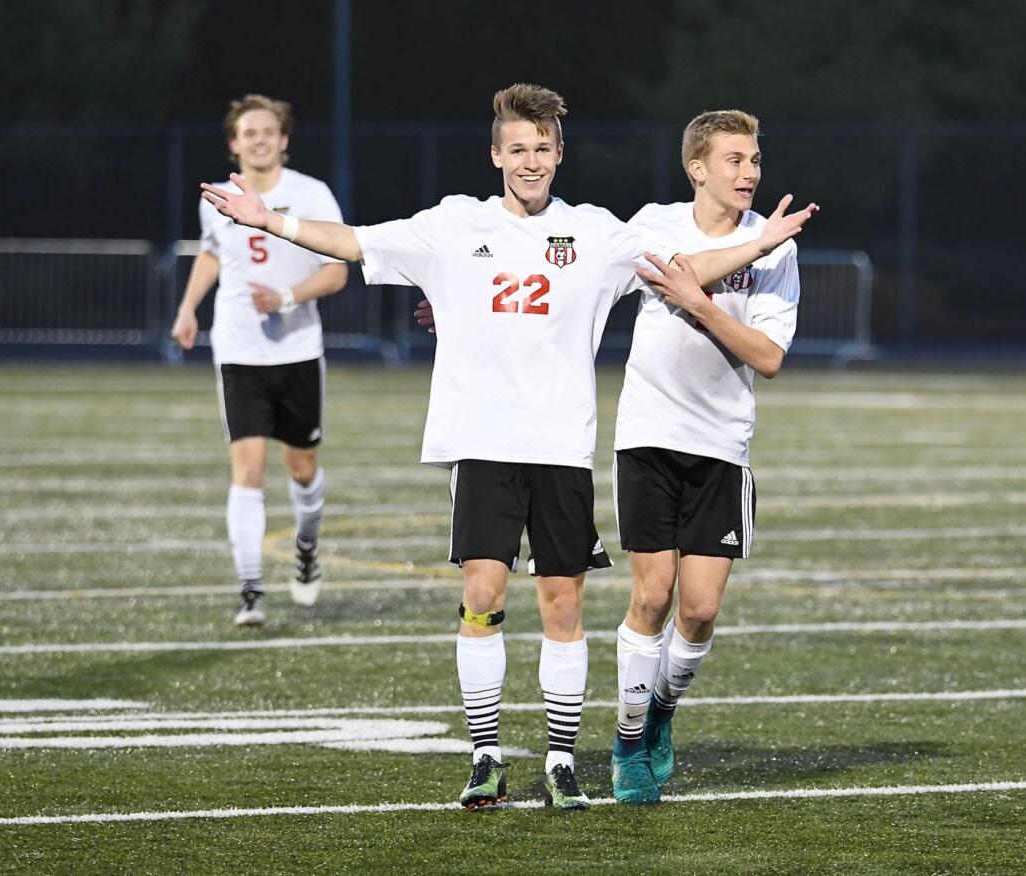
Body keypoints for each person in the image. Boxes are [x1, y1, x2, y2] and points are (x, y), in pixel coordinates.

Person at [200, 83, 817, 810]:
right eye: (517, 148)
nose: (531, 160)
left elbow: (683, 274)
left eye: (543, 148)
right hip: (481, 441)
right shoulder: (452, 224)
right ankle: (485, 755)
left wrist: (760, 243)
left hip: (562, 446)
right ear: (496, 154)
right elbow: (353, 241)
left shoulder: (596, 231)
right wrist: (265, 219)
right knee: (483, 594)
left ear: (561, 154)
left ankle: (561, 762)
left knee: (563, 606)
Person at [608, 110, 803, 803]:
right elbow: (677, 274)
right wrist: (751, 252)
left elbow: (770, 358)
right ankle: (629, 742)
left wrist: (710, 302)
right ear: (697, 168)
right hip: (649, 432)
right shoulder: (656, 223)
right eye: (734, 160)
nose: (749, 172)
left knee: (699, 610)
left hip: (723, 442)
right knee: (652, 594)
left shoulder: (776, 246)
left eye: (754, 159)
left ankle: (660, 712)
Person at [171, 94, 348, 627]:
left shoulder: (311, 193)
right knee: (247, 470)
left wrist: (288, 297)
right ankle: (250, 589)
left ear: (284, 140)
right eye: (248, 132)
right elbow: (211, 253)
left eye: (268, 131)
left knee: (303, 469)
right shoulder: (215, 197)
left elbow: (338, 269)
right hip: (239, 351)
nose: (259, 139)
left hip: (296, 351)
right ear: (233, 142)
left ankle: (306, 548)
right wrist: (187, 308)